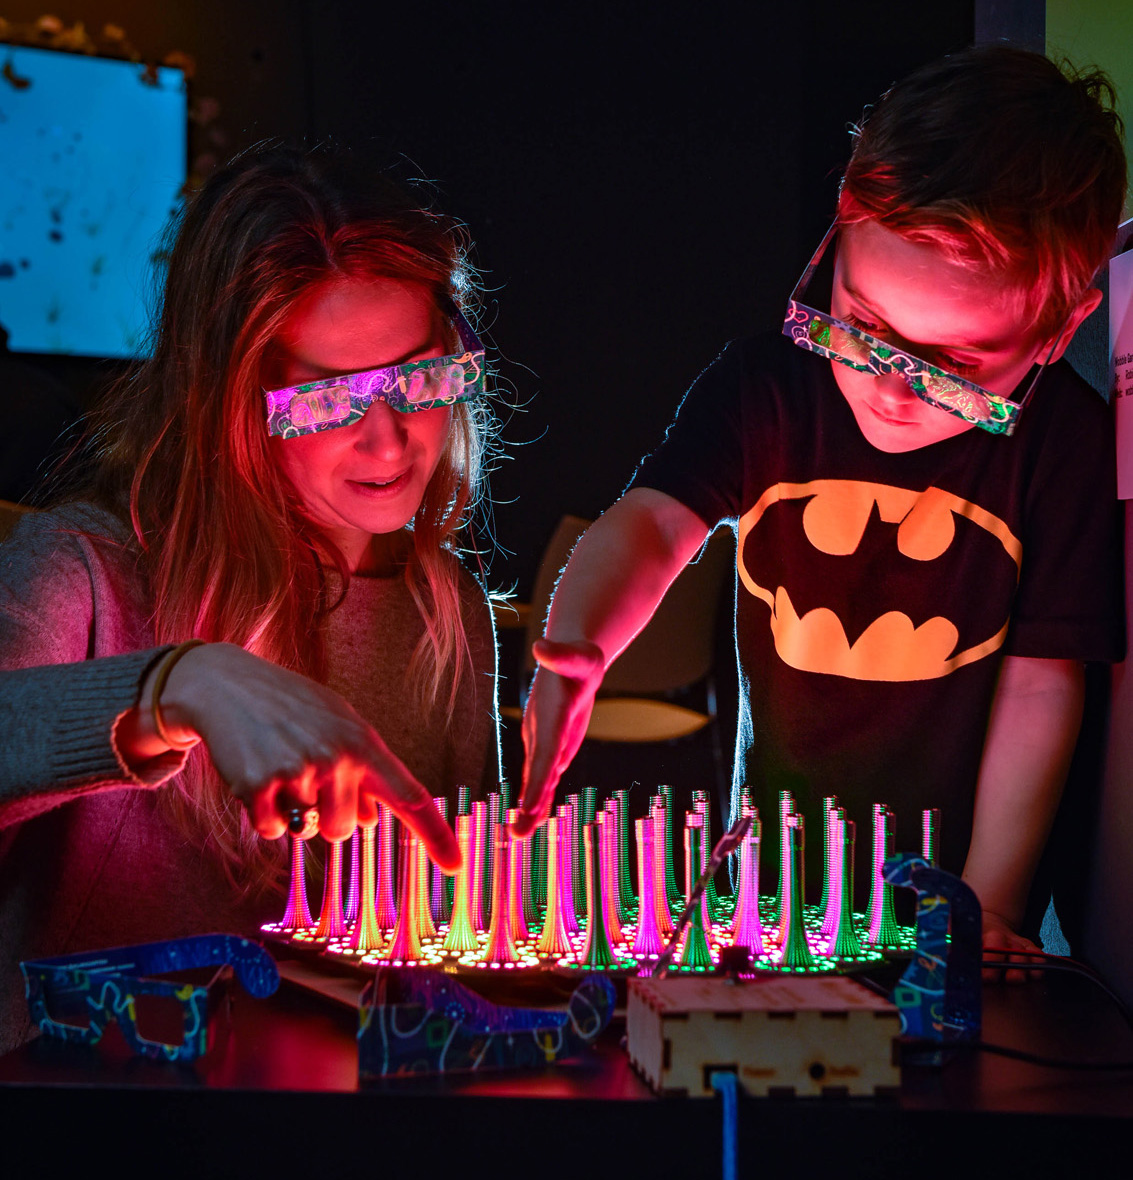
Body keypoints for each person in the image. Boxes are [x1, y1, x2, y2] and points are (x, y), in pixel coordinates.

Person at [515, 46, 1126, 971]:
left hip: (943, 925)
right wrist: (575, 645)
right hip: (757, 905)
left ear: (1062, 326)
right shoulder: (766, 388)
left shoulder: (1063, 443)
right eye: (858, 325)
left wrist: (990, 901)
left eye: (951, 370)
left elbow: (1043, 684)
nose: (888, 388)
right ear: (836, 231)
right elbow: (649, 522)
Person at [0, 145, 502, 1052]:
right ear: (228, 402)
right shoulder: (86, 569)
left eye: (422, 380)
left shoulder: (446, 611)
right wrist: (174, 686)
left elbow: (452, 936)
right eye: (323, 401)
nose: (388, 444)